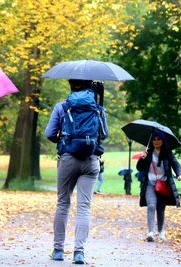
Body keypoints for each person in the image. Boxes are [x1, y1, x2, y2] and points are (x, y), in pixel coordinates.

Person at [45, 79, 108, 264]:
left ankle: (58, 250)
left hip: (68, 159)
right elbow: (104, 134)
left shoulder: (62, 107)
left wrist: (65, 139)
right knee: (84, 207)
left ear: (71, 85)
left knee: (63, 203)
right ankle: (79, 253)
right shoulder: (97, 108)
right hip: (91, 160)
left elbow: (49, 133)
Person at [136, 131, 181, 242]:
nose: (156, 141)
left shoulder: (167, 153)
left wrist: (179, 174)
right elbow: (139, 168)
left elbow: (175, 163)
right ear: (151, 141)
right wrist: (141, 158)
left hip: (163, 185)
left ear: (162, 141)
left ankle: (161, 232)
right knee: (151, 206)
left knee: (160, 209)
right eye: (154, 139)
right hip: (150, 184)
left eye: (158, 139)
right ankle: (150, 232)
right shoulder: (148, 153)